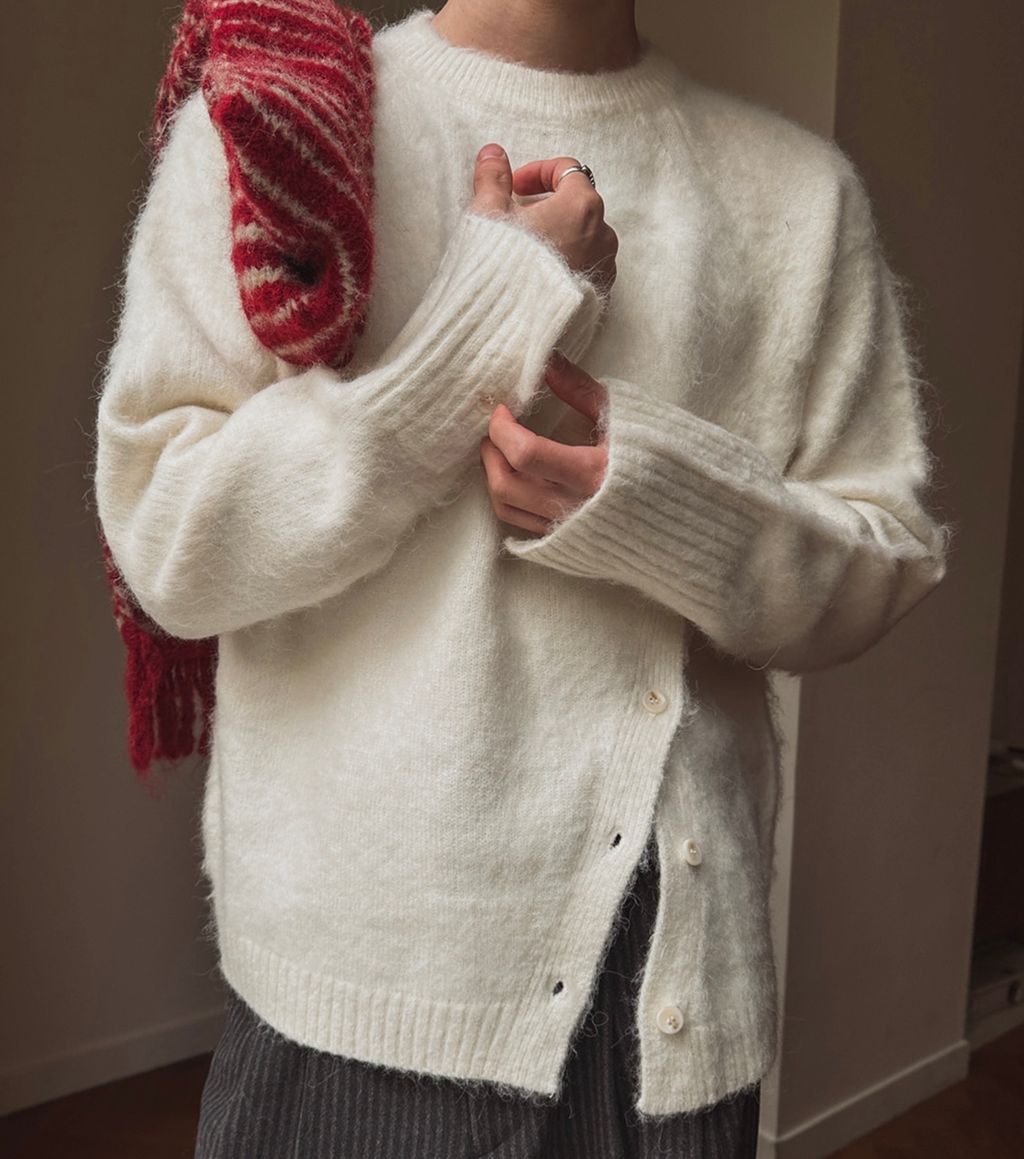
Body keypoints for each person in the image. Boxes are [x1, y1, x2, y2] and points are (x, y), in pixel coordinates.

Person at [91, 1, 951, 1156]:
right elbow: (172, 546)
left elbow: (881, 558)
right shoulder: (278, 123)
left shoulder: (799, 194)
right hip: (359, 1008)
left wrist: (656, 505)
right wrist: (489, 313)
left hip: (672, 1012)